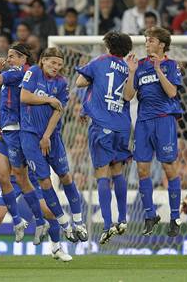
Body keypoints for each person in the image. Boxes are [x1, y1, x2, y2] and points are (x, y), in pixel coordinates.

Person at [0, 43, 50, 245]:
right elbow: (8, 101)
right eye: (8, 56)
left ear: (23, 59)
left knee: (17, 177)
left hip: (17, 130)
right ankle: (19, 222)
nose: (8, 59)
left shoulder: (19, 72)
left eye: (12, 56)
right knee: (3, 176)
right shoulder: (16, 75)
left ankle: (52, 230)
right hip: (7, 128)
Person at [20, 47, 87, 242]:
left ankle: (79, 222)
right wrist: (48, 99)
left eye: (59, 64)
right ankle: (65, 223)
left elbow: (58, 110)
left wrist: (47, 136)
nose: (56, 67)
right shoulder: (33, 72)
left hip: (51, 137)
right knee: (45, 181)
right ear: (43, 61)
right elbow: (24, 97)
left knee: (66, 176)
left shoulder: (62, 83)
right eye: (52, 62)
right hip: (30, 137)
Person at [123, 26, 183, 237]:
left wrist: (159, 70)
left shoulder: (171, 65)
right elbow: (128, 96)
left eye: (151, 40)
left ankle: (175, 217)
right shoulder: (139, 66)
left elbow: (172, 92)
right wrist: (131, 73)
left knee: (169, 167)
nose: (147, 43)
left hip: (164, 121)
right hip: (143, 123)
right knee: (141, 170)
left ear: (161, 44)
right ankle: (150, 215)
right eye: (146, 40)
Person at [75, 31, 133, 244]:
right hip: (122, 125)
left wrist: (91, 94)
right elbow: (128, 96)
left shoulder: (99, 61)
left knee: (102, 174)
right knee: (117, 170)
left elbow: (80, 82)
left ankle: (107, 225)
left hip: (102, 123)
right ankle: (123, 218)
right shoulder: (128, 68)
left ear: (108, 46)